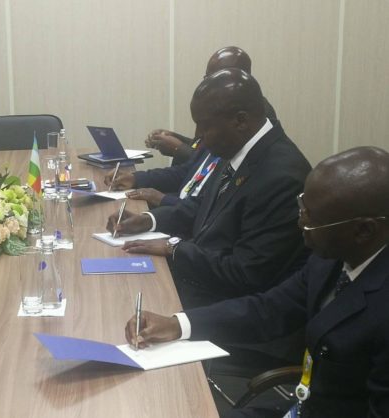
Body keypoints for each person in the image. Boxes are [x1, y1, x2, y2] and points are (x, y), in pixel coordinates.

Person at [125, 147, 389, 418]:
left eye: (312, 220)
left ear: (363, 230)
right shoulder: (331, 258)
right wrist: (178, 324)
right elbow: (269, 309)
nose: (300, 222)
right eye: (302, 207)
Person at [107, 68, 311, 309]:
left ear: (240, 121)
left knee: (116, 305)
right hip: (200, 277)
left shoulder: (281, 177)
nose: (200, 139)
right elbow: (203, 206)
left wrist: (175, 250)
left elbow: (247, 273)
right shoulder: (239, 146)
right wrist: (148, 220)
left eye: (204, 127)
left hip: (225, 306)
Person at [107, 47, 278, 208]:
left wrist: (178, 148)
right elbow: (201, 159)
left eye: (216, 77)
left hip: (192, 209)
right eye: (207, 77)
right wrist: (137, 178)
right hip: (186, 200)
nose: (209, 84)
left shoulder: (253, 119)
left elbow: (214, 171)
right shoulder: (219, 112)